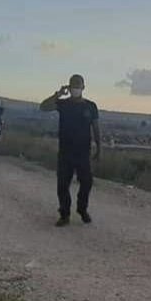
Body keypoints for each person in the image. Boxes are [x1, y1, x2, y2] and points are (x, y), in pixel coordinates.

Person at [39, 74, 101, 227]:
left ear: (83, 87)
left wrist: (99, 147)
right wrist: (58, 94)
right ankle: (64, 214)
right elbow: (43, 107)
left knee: (87, 182)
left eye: (78, 85)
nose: (76, 88)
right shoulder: (63, 104)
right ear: (69, 86)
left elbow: (96, 127)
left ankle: (82, 209)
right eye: (73, 85)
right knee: (62, 184)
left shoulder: (90, 106)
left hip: (83, 153)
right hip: (66, 152)